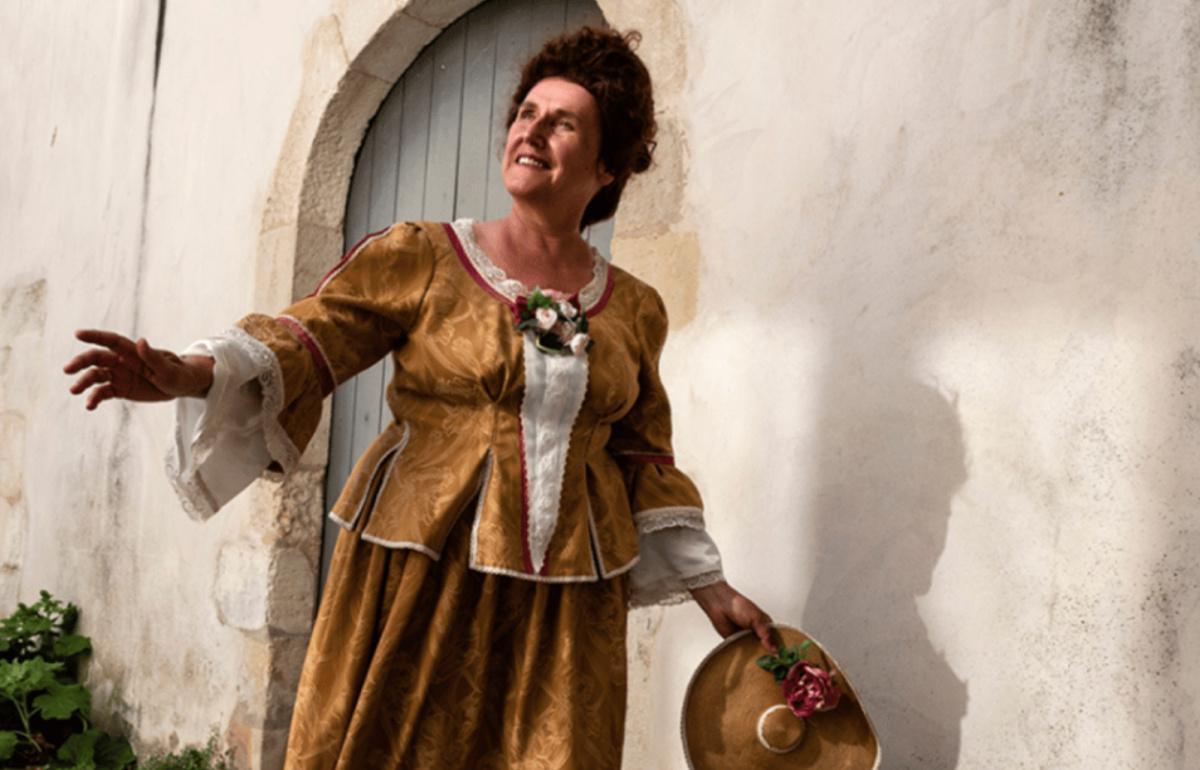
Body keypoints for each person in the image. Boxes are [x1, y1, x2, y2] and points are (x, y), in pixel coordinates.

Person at [65, 26, 775, 770]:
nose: (530, 129)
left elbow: (643, 452)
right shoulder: (426, 256)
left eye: (560, 121)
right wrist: (188, 371)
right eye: (525, 113)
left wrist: (710, 588)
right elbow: (313, 335)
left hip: (566, 603)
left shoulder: (635, 308)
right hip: (423, 572)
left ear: (606, 165)